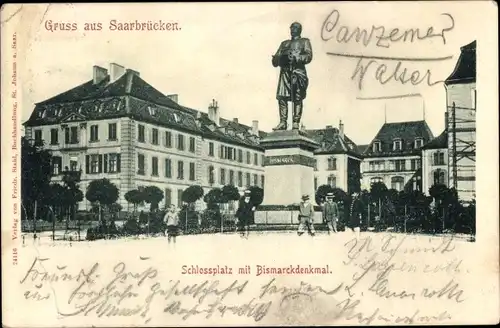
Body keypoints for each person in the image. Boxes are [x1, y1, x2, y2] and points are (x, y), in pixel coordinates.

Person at [271, 22, 313, 130]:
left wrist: (296, 58)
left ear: (300, 29)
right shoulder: (284, 43)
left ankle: (295, 121)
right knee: (282, 96)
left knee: (297, 97)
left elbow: (309, 56)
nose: (292, 29)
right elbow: (276, 58)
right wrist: (276, 59)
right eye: (291, 27)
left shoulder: (305, 41)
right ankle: (283, 122)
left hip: (297, 71)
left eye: (295, 27)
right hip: (285, 72)